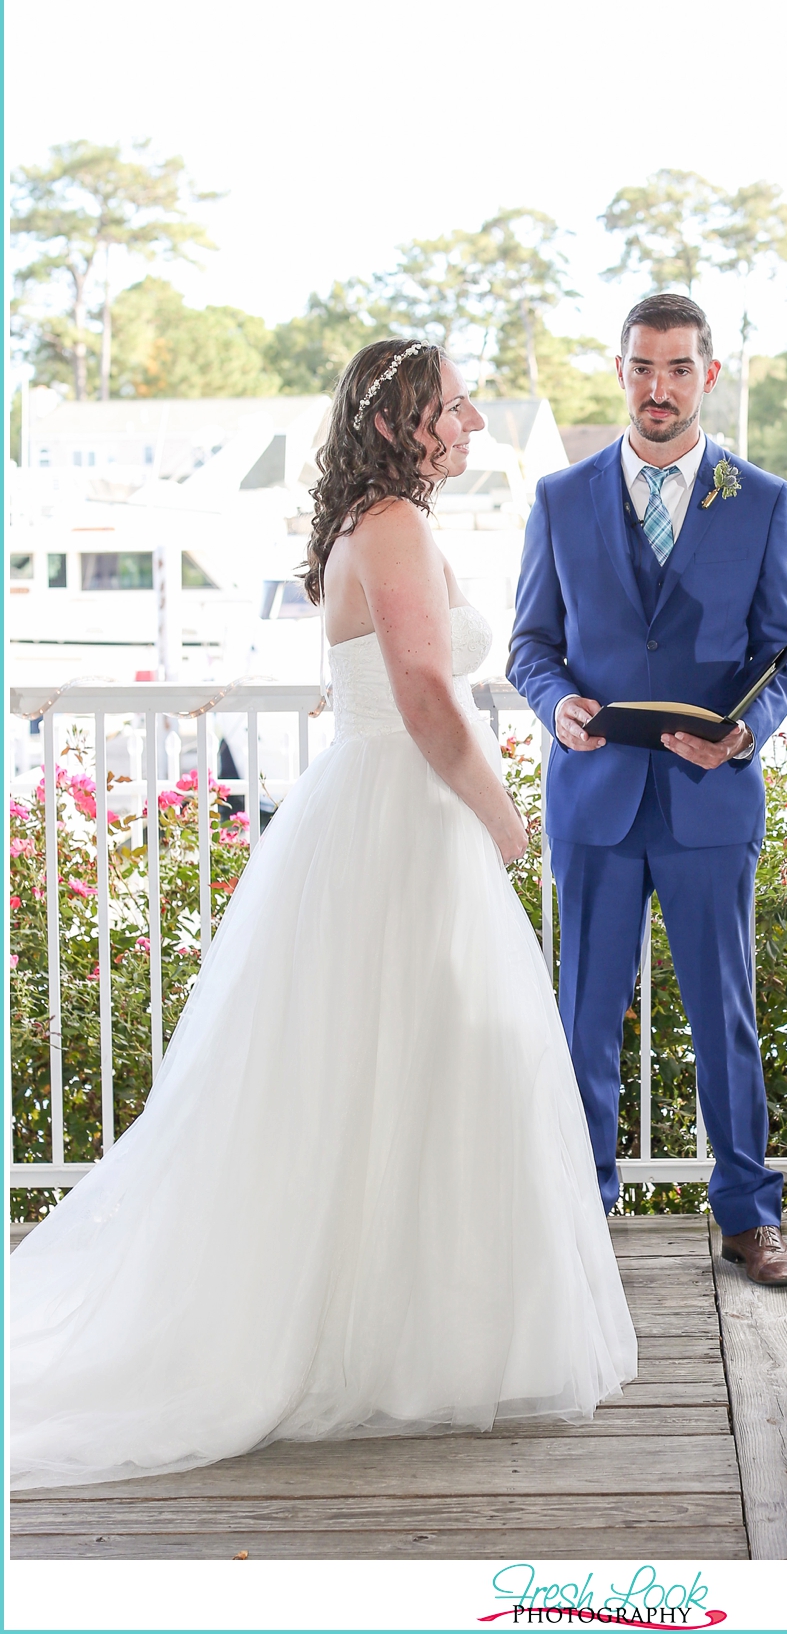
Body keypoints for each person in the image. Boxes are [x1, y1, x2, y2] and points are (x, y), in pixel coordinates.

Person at [10, 340, 636, 1491]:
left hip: (389, 811)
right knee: (429, 1054)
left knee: (410, 1066)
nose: (476, 424)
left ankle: (408, 1330)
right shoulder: (390, 526)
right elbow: (422, 693)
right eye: (454, 408)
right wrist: (503, 815)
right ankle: (392, 1338)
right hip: (404, 813)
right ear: (403, 424)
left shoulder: (373, 517)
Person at [508, 293, 787, 1287]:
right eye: (642, 366)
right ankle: (582, 1203)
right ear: (620, 370)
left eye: (679, 367)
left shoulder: (762, 499)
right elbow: (531, 643)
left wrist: (747, 732)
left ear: (708, 376)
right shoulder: (559, 497)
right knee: (583, 1014)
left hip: (708, 801)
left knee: (724, 1011)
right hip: (594, 793)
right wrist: (554, 705)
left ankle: (748, 1215)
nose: (658, 387)